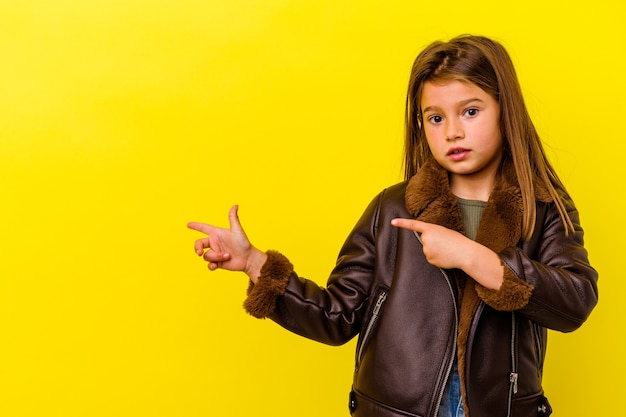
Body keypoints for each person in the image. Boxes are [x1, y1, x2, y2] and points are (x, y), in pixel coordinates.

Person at [188, 35, 598, 417]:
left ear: (505, 111)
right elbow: (336, 316)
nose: (453, 131)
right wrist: (254, 263)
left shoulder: (542, 208)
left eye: (470, 111)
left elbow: (575, 302)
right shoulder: (393, 208)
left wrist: (476, 258)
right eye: (435, 118)